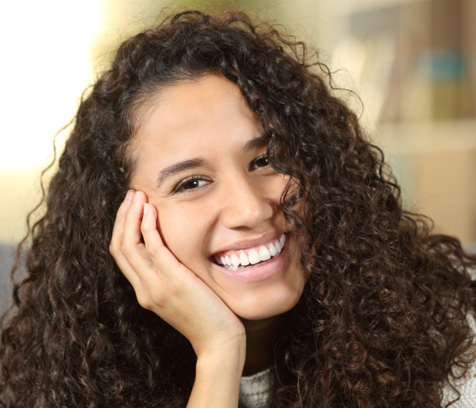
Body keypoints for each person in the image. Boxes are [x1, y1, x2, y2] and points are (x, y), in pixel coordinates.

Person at [1, 9, 476, 408]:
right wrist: (218, 352)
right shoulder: (55, 382)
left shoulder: (455, 340)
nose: (250, 208)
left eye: (266, 159)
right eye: (191, 182)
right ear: (122, 226)